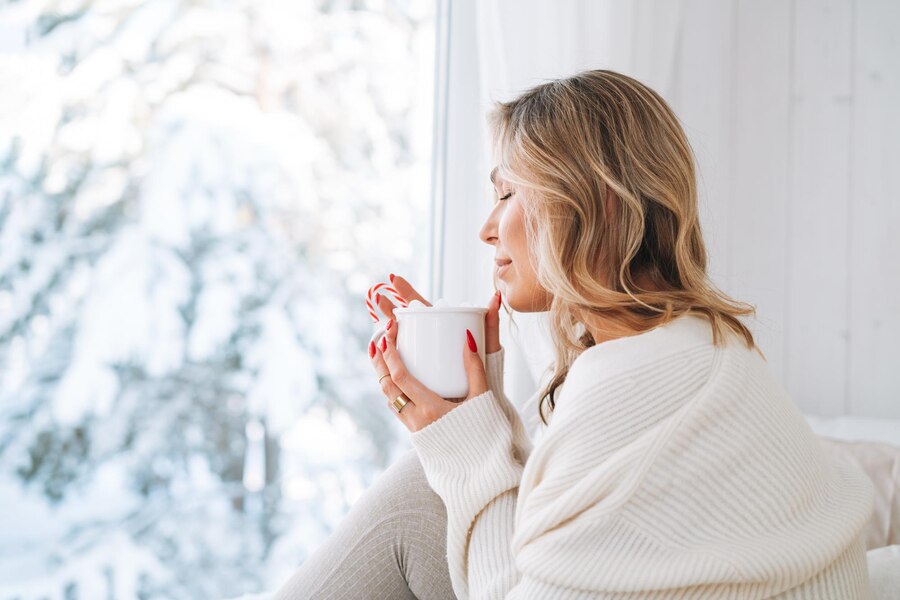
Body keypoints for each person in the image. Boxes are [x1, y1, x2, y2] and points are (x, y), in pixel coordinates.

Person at [274, 69, 875, 599]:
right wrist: (475, 413)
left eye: (507, 193)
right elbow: (569, 535)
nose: (487, 229)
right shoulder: (701, 346)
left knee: (417, 497)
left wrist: (464, 440)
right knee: (425, 491)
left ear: (598, 207)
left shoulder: (634, 392)